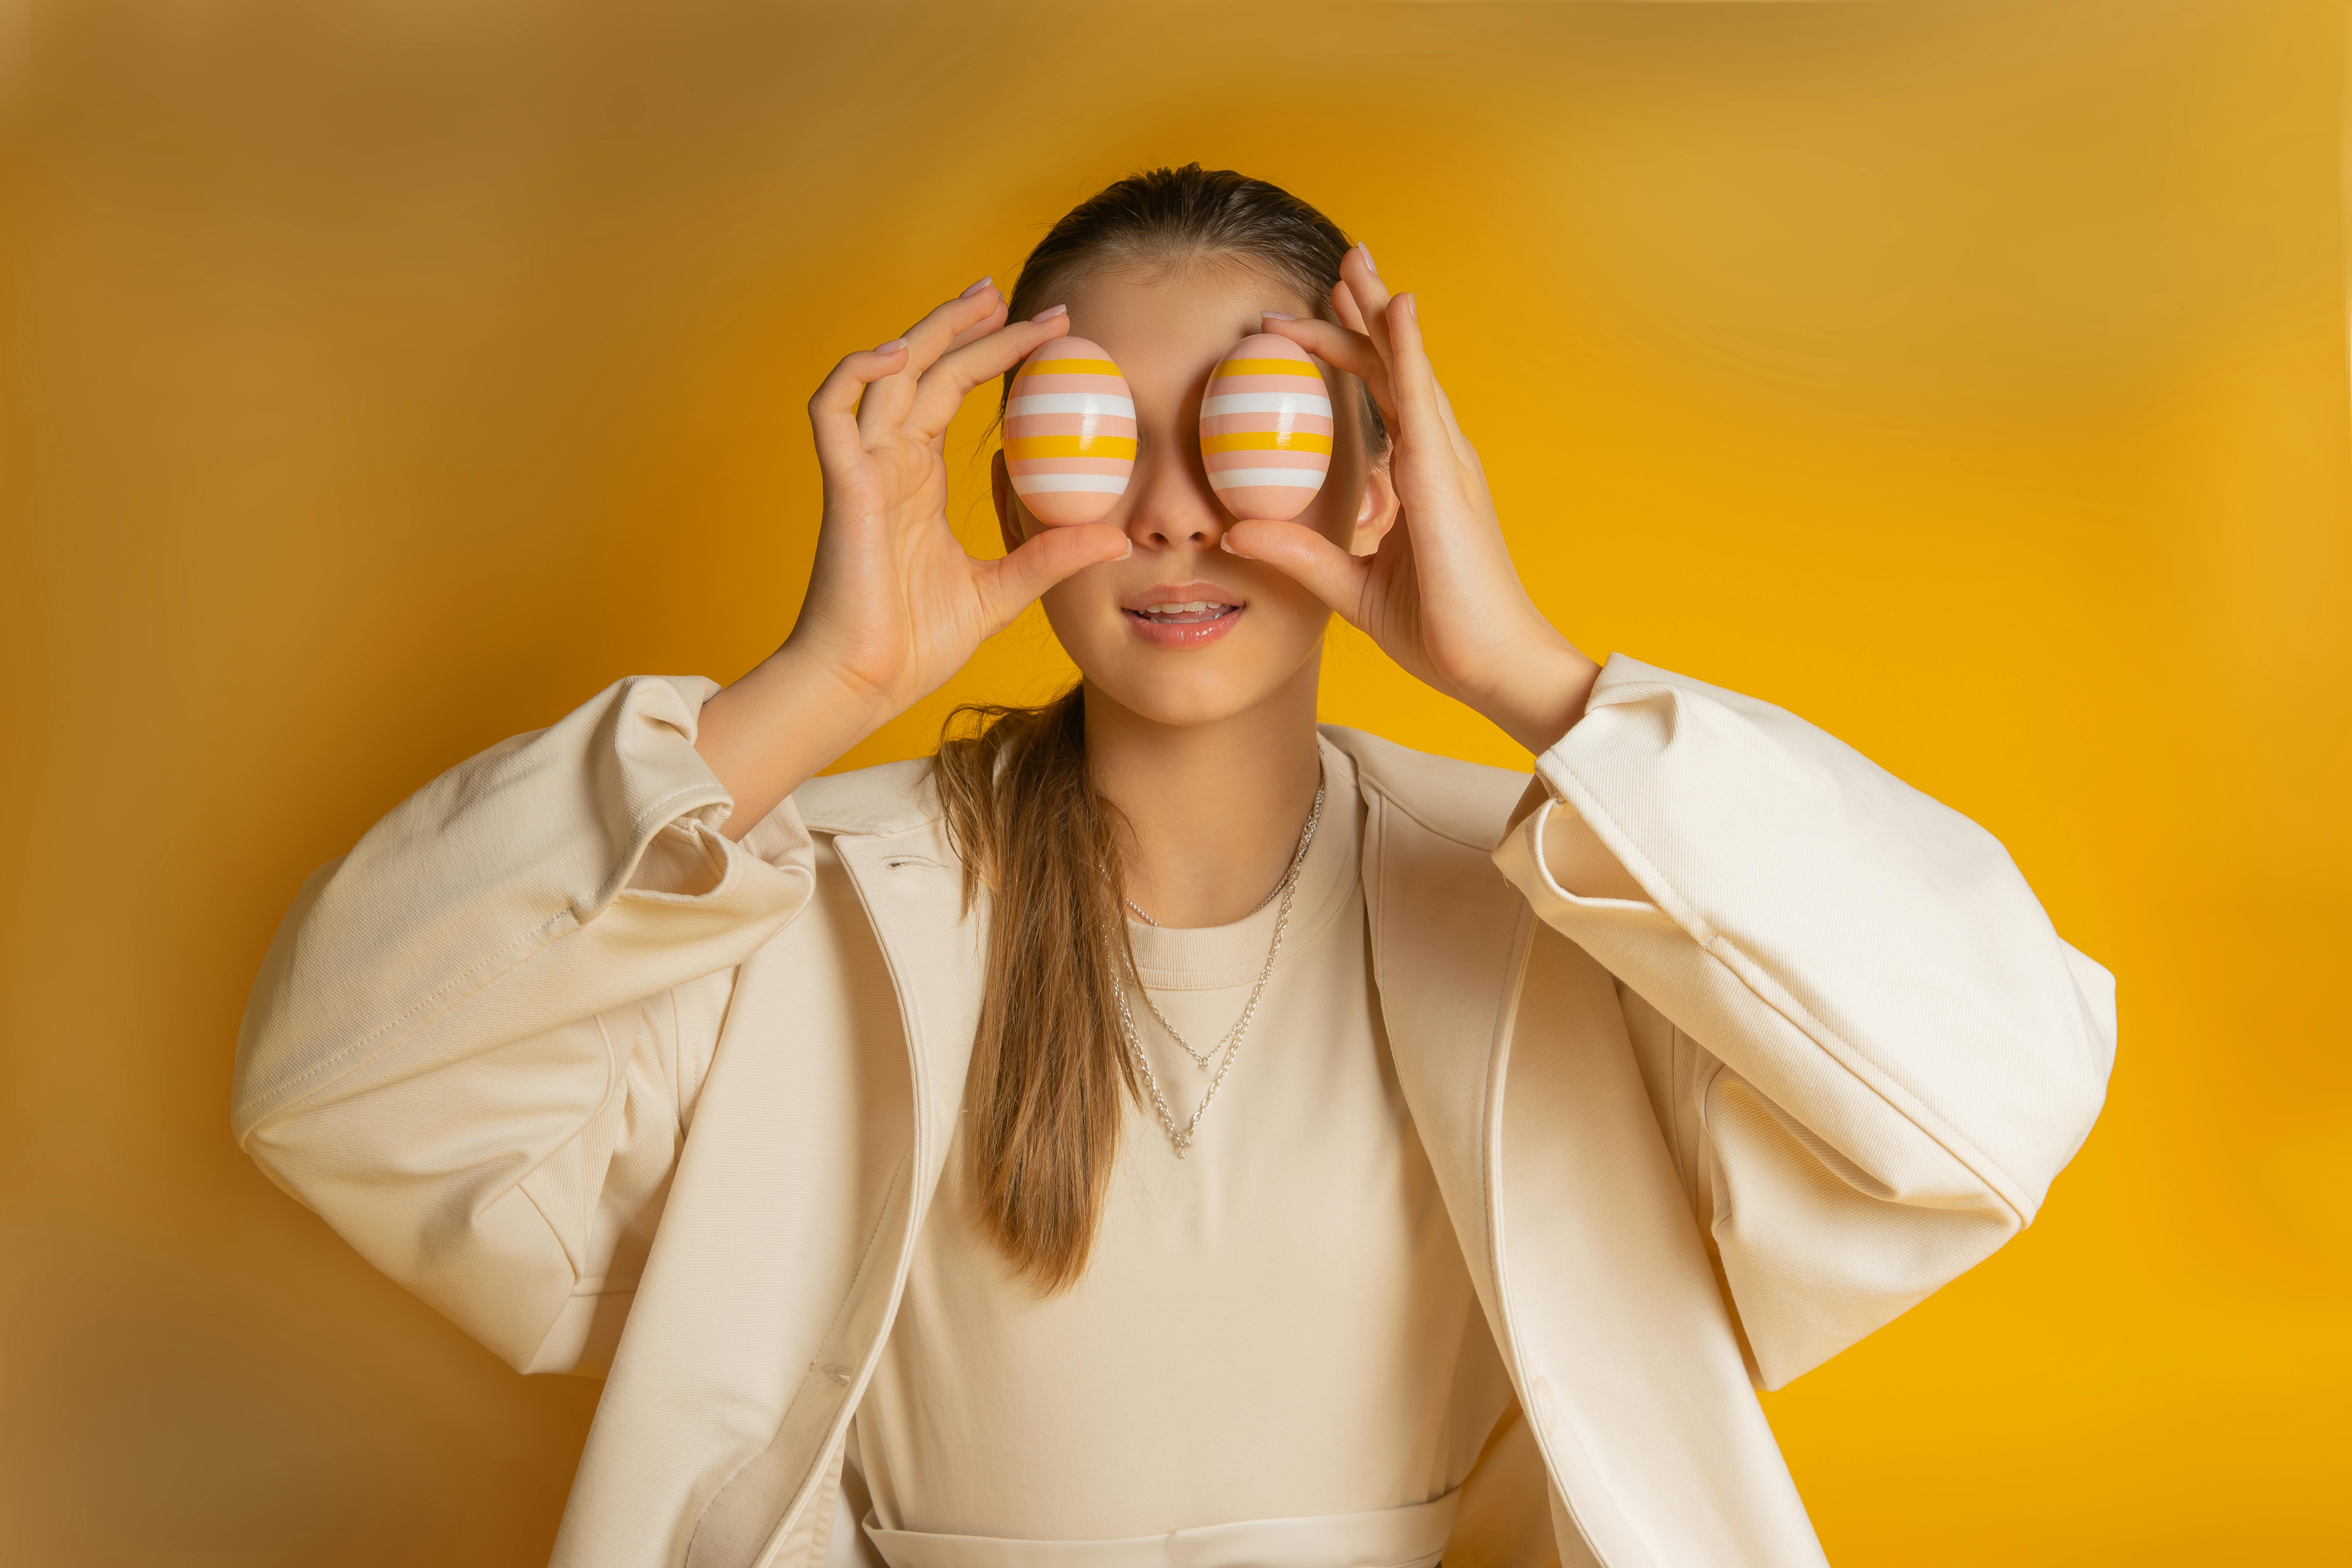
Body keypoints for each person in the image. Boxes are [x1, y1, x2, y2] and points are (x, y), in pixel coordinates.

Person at [230, 165, 2116, 1568]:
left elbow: (1994, 1089)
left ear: (1380, 484)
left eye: (1255, 426)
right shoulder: (796, 912)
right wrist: (817, 689)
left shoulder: (1573, 904)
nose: (1169, 505)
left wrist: (1531, 679)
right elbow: (343, 1086)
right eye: (1088, 437)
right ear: (1001, 492)